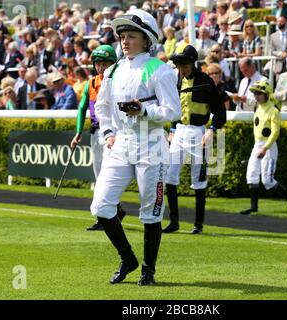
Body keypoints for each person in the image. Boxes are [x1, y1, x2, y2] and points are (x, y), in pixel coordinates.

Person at [91, 10, 181, 286]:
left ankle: (148, 270)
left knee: (150, 211)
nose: (125, 41)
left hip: (151, 144)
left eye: (131, 36)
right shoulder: (113, 70)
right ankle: (128, 258)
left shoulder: (160, 69)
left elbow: (173, 111)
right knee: (101, 206)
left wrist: (144, 111)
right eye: (122, 36)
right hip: (121, 143)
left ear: (146, 40)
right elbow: (102, 106)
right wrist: (107, 132)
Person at [163, 44, 226, 235]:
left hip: (199, 134)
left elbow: (220, 111)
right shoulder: (176, 81)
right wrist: (172, 128)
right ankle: (174, 222)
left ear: (192, 63)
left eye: (185, 66)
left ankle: (198, 225)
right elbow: (173, 108)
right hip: (179, 133)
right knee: (169, 176)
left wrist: (212, 130)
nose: (182, 70)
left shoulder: (206, 82)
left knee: (199, 181)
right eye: (179, 66)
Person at [70, 45, 127, 232]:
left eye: (105, 64)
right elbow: (82, 109)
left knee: (107, 177)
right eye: (98, 64)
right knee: (98, 176)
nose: (101, 68)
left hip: (114, 135)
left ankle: (105, 217)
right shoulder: (91, 83)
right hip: (97, 133)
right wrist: (79, 131)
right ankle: (114, 211)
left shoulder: (119, 81)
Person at [239, 80, 287, 215]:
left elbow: (275, 132)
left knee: (267, 181)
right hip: (257, 145)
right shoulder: (258, 107)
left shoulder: (274, 110)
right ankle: (254, 207)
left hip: (268, 147)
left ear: (266, 94)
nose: (256, 96)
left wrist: (265, 148)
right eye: (255, 93)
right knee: (251, 175)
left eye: (259, 93)